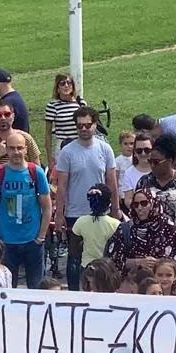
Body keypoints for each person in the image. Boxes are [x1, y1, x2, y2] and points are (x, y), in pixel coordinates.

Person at [55, 106, 119, 290]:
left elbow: (111, 182)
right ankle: (75, 292)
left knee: (103, 256)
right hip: (75, 213)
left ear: (95, 125)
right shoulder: (67, 152)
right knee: (75, 258)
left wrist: (115, 210)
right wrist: (59, 214)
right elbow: (62, 186)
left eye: (87, 125)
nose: (83, 129)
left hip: (102, 212)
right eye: (79, 126)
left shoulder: (105, 149)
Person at [0, 131, 52, 289]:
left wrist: (41, 237)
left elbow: (47, 206)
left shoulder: (36, 172)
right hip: (7, 242)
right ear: (6, 150)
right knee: (8, 290)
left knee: (37, 290)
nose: (16, 152)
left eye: (20, 148)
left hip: (32, 241)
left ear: (26, 149)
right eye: (12, 148)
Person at [0, 99, 42, 233]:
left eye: (7, 114)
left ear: (13, 116)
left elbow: (37, 169)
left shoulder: (25, 138)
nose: (3, 118)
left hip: (24, 195)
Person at [104, 189, 176, 273]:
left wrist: (158, 264)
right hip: (132, 282)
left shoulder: (168, 229)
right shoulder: (126, 229)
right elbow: (112, 260)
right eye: (135, 205)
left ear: (153, 203)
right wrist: (137, 262)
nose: (139, 208)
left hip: (161, 282)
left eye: (144, 203)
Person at [72, 184, 121, 268]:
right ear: (109, 202)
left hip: (87, 266)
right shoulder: (115, 224)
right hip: (107, 268)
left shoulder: (81, 221)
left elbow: (73, 249)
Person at [43, 72, 86, 163]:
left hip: (80, 144)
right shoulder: (52, 106)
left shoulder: (80, 103)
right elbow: (48, 134)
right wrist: (50, 159)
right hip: (63, 146)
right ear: (58, 88)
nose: (66, 85)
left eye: (69, 83)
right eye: (62, 83)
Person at [122, 133, 153, 208]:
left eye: (147, 150)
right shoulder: (128, 173)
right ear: (134, 153)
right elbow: (128, 200)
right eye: (139, 150)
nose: (143, 153)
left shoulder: (160, 169)